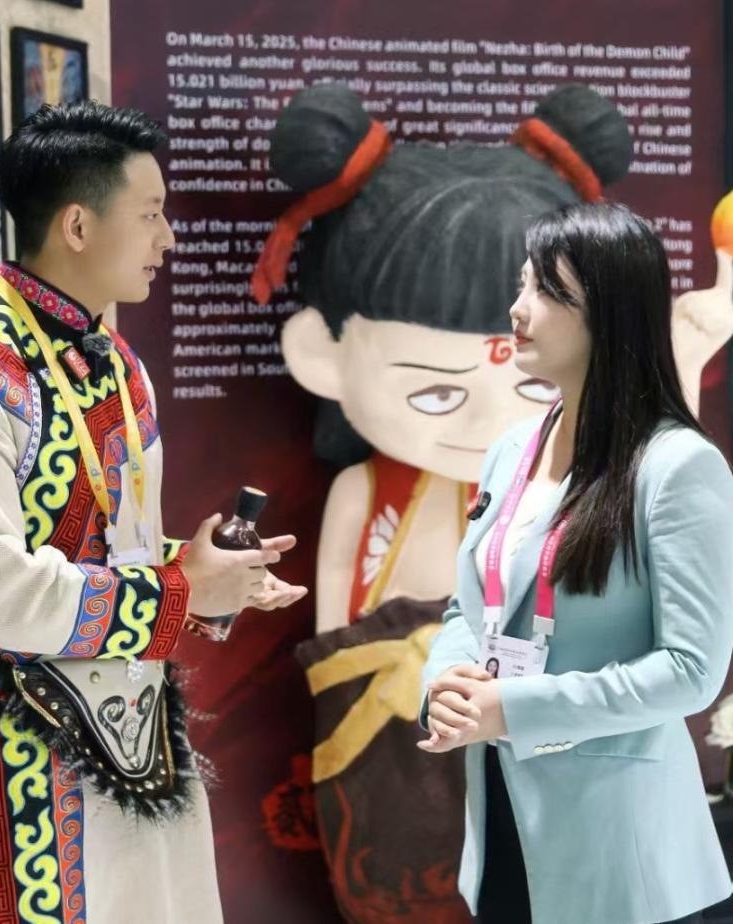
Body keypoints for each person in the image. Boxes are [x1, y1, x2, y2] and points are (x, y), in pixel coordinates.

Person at [0, 100, 306, 923]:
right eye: (150, 214)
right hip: (17, 745)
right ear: (78, 225)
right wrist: (179, 592)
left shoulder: (117, 361)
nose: (169, 238)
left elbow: (114, 545)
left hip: (138, 735)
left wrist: (207, 573)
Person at [260, 82, 633, 921]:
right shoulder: (363, 492)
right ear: (323, 354)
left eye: (531, 387)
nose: (487, 422)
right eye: (435, 393)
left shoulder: (581, 489)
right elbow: (333, 654)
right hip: (396, 778)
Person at [419, 201, 733, 924]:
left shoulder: (677, 466)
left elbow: (692, 670)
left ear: (610, 312)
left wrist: (514, 708)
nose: (517, 308)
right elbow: (472, 605)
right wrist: (446, 681)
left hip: (618, 842)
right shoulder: (512, 448)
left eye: (547, 291)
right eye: (522, 283)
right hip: (501, 812)